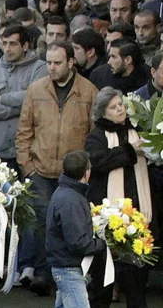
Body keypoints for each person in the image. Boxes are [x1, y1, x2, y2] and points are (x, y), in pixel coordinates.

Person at [15, 41, 98, 295]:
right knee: (42, 223)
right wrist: (27, 167)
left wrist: (85, 169)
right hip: (39, 170)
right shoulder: (35, 89)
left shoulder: (89, 91)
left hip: (72, 173)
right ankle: (42, 275)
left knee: (74, 226)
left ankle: (74, 276)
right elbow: (24, 132)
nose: (51, 67)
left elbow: (93, 134)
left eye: (57, 62)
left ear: (71, 63)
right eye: (49, 62)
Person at [84, 87, 154, 308]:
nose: (120, 110)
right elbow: (98, 161)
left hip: (138, 213)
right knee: (102, 283)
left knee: (135, 284)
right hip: (108, 216)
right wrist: (131, 151)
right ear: (103, 112)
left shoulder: (137, 129)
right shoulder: (96, 135)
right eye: (113, 107)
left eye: (121, 105)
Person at [0, 25, 47, 171]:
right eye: (5, 43)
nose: (7, 48)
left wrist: (3, 99)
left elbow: (36, 97)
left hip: (32, 152)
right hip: (0, 151)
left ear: (25, 46)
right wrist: (21, 109)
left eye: (13, 44)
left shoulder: (40, 68)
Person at [46, 150, 106, 308]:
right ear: (87, 172)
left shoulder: (66, 194)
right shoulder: (71, 200)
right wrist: (104, 244)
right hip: (68, 270)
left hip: (64, 268)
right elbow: (78, 243)